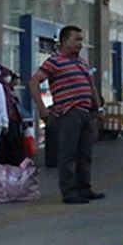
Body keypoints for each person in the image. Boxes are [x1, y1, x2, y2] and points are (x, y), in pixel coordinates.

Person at [29, 26, 104, 204]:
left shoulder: (81, 62)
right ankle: (69, 192)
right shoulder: (54, 62)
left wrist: (98, 107)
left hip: (86, 112)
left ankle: (84, 188)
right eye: (76, 39)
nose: (80, 44)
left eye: (81, 40)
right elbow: (34, 82)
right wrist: (42, 108)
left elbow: (90, 84)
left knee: (85, 153)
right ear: (63, 41)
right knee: (68, 154)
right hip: (68, 112)